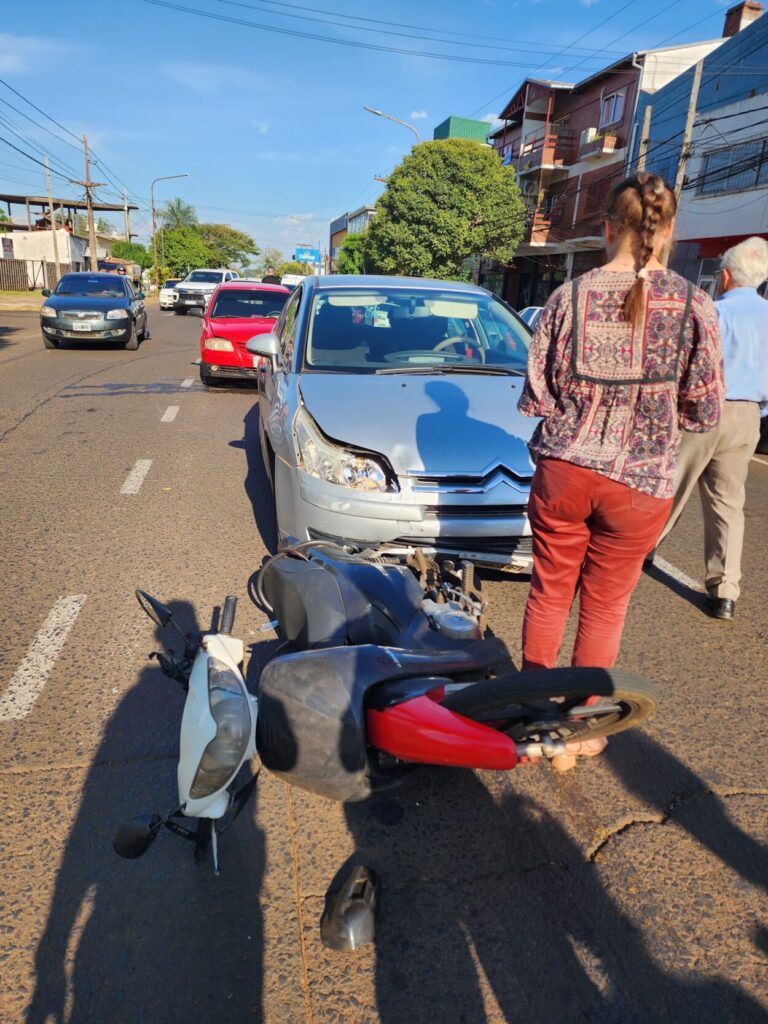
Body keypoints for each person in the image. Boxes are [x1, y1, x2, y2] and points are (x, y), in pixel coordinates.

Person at [518, 172, 723, 770]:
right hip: (641, 482)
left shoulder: (566, 298)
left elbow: (538, 397)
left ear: (607, 228)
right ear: (669, 232)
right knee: (606, 605)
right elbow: (704, 407)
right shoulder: (694, 305)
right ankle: (581, 731)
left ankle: (532, 716)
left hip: (565, 471)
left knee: (550, 590)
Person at [655, 237, 768, 620]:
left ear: (724, 276)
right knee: (728, 505)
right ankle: (725, 592)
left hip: (702, 410)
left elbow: (682, 364)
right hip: (748, 416)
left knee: (670, 488)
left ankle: (639, 551)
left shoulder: (712, 313)